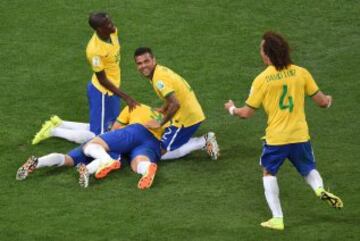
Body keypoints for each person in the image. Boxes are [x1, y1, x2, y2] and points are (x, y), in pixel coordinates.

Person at [224, 31, 343, 231]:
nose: (260, 53)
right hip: (300, 135)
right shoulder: (301, 72)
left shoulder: (262, 79)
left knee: (269, 172)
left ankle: (277, 218)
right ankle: (320, 189)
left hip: (277, 138)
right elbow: (322, 102)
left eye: (262, 50)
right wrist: (329, 100)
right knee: (307, 168)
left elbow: (246, 114)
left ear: (268, 54)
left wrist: (231, 109)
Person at [31, 12, 138, 145]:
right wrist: (126, 97)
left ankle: (60, 123)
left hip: (113, 88)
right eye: (108, 24)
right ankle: (54, 131)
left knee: (109, 128)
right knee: (99, 137)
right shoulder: (94, 51)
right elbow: (102, 80)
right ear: (99, 29)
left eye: (111, 21)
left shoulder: (112, 32)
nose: (112, 25)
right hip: (103, 92)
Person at [17, 104, 164, 189]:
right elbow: (180, 145)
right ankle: (145, 168)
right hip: (147, 144)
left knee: (74, 155)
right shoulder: (167, 121)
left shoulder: (137, 107)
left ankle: (38, 162)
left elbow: (116, 128)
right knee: (137, 162)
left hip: (118, 138)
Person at [133, 47, 220, 160]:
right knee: (163, 141)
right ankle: (190, 140)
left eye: (146, 61)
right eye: (139, 63)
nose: (143, 66)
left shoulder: (159, 78)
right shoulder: (158, 71)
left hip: (185, 119)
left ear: (154, 60)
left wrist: (160, 122)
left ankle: (204, 141)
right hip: (189, 113)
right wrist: (164, 109)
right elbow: (173, 94)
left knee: (159, 153)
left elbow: (175, 104)